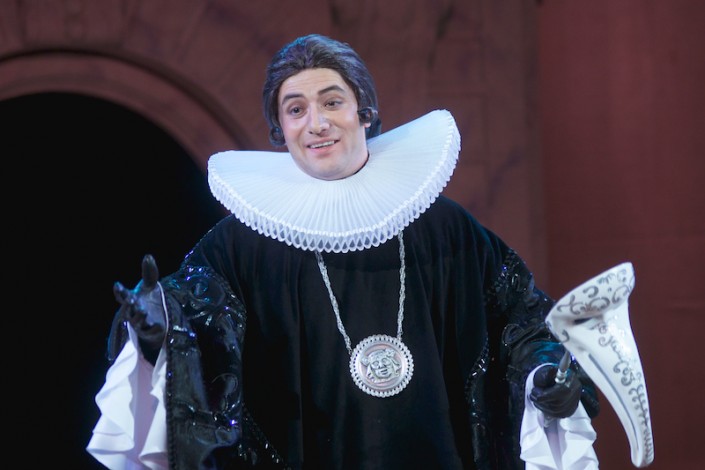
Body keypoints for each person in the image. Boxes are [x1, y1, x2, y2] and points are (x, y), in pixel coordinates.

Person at [87, 34, 601, 470]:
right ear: (280, 130)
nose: (317, 123)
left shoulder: (445, 228)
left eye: (332, 102)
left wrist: (546, 377)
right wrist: (157, 331)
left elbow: (524, 324)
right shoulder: (240, 244)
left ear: (365, 112)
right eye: (296, 110)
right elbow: (192, 328)